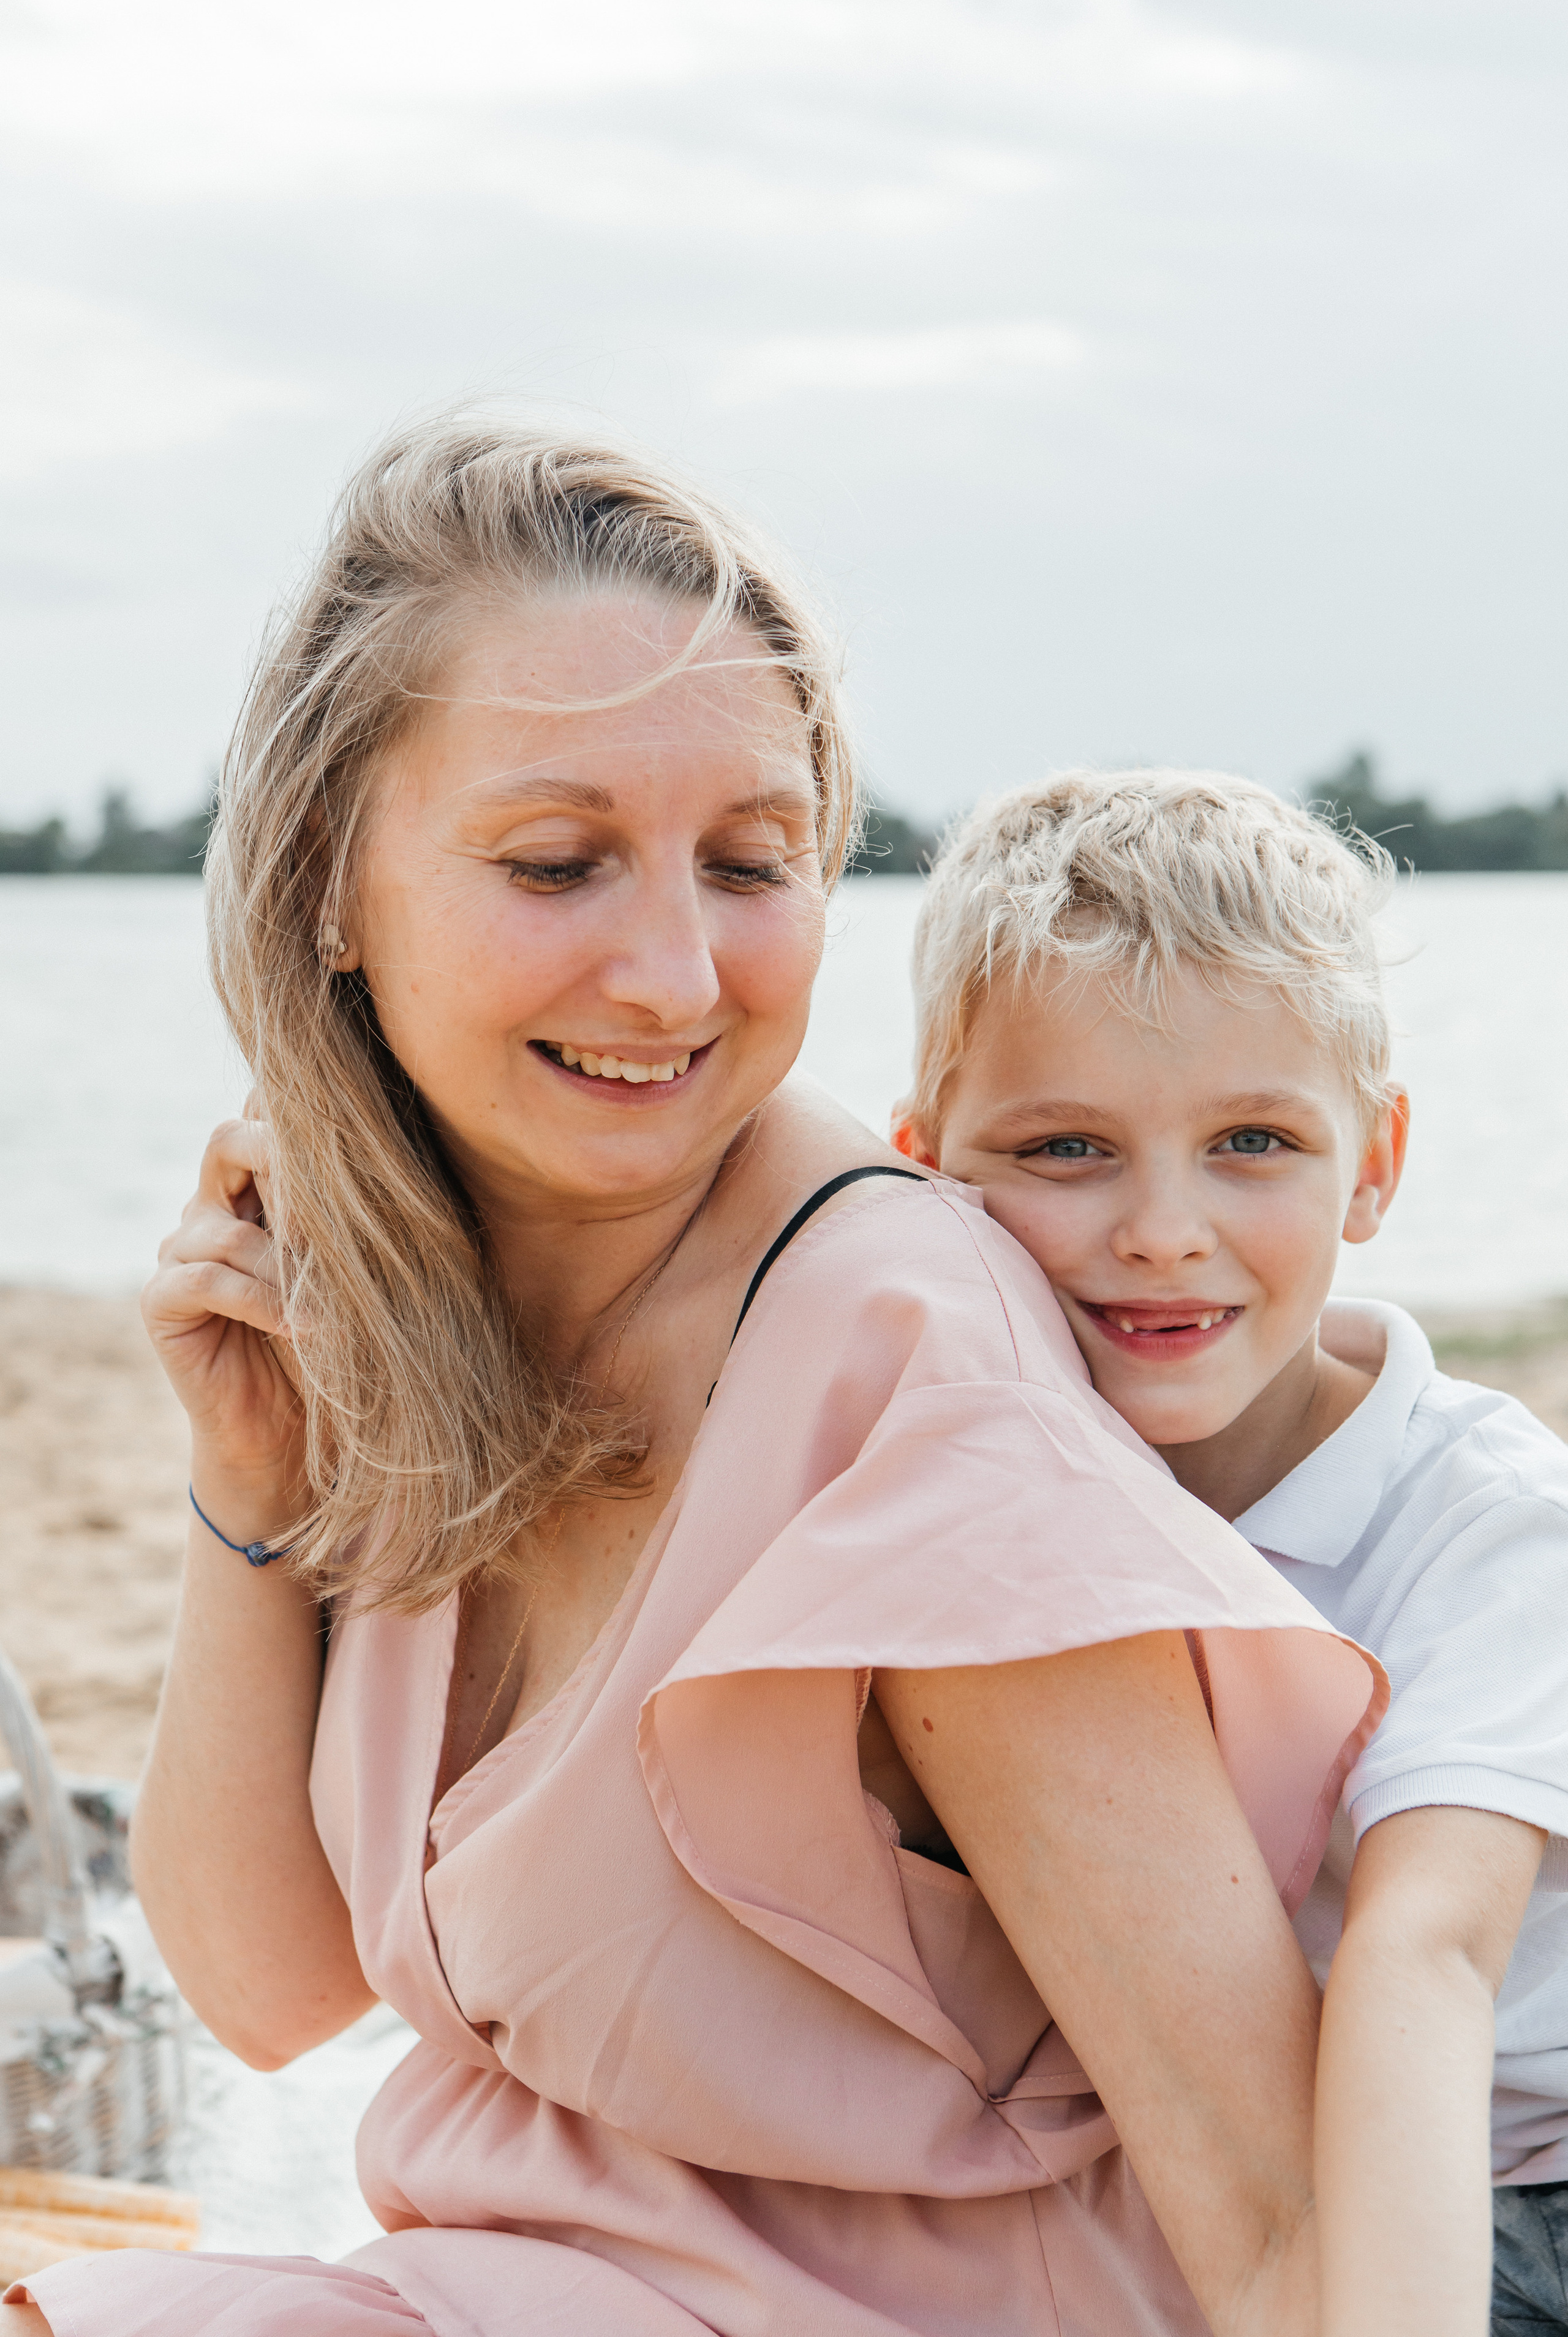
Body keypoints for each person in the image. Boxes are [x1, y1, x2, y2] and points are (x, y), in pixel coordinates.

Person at [6, 431, 1383, 2337]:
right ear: (331, 885)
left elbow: (1279, 2216)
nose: (671, 976)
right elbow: (265, 1989)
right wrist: (253, 1482)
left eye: (753, 864)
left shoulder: (904, 1384)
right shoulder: (422, 1298)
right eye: (561, 862)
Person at [893, 766, 1568, 2337]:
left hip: (1496, 2192)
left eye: (1252, 1141)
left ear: (1375, 1166)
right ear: (929, 1171)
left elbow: (1425, 1957)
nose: (1161, 1229)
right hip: (1188, 2175)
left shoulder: (1490, 1527)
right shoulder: (976, 1490)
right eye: (1064, 1150)